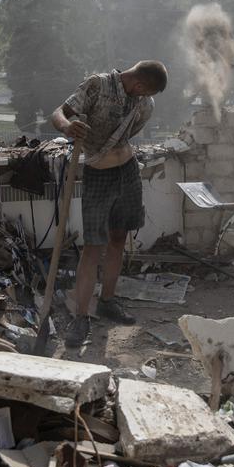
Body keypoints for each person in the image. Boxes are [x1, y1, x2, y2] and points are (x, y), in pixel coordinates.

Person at [50, 60, 168, 347]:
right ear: (139, 84)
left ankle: (107, 301)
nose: (144, 98)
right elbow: (59, 113)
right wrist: (68, 127)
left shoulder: (144, 105)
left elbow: (127, 135)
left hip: (127, 171)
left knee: (118, 238)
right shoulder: (97, 85)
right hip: (98, 176)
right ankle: (81, 317)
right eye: (144, 92)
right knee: (93, 246)